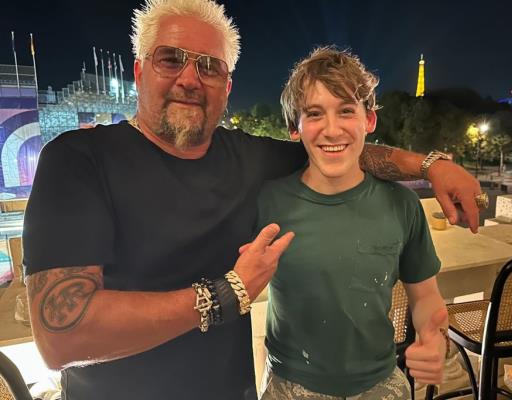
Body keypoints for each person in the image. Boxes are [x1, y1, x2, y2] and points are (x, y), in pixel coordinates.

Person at [23, 0, 480, 399]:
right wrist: (229, 293)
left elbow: (340, 151)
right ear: (140, 70)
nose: (189, 78)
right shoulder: (78, 160)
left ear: (227, 85)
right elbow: (60, 338)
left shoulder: (252, 160)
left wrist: (431, 165)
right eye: (170, 59)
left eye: (209, 66)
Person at [257, 47, 447, 399]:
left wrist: (433, 336)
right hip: (288, 384)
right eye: (314, 114)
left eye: (346, 111)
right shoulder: (267, 202)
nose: (332, 130)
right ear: (294, 127)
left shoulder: (402, 204)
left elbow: (427, 297)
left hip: (381, 382)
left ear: (369, 120)